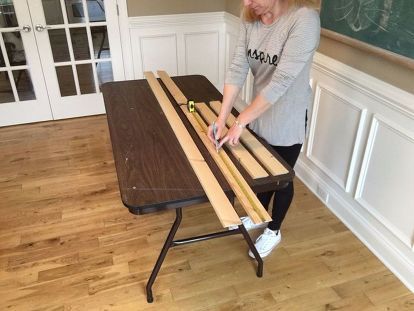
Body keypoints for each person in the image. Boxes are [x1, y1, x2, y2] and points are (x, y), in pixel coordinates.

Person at [208, 0, 321, 258]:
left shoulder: (304, 20)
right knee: (260, 169)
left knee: (280, 176)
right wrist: (222, 118)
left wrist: (240, 121)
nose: (247, 3)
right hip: (258, 111)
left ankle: (274, 229)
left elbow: (281, 81)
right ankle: (258, 214)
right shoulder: (250, 15)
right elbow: (238, 68)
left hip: (288, 116)